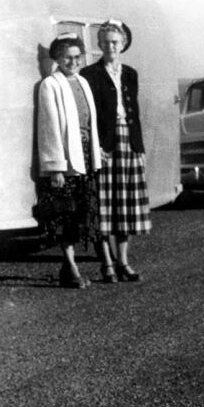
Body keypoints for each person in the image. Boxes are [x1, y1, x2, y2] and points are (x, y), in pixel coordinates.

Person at [81, 19, 149, 283]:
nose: (110, 46)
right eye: (106, 41)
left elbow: (136, 113)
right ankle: (106, 264)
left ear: (122, 45)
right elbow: (90, 115)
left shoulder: (130, 73)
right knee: (104, 205)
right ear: (98, 44)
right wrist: (96, 148)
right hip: (105, 144)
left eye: (115, 42)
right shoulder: (90, 74)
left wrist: (139, 146)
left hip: (128, 142)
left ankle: (124, 261)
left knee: (126, 205)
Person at [34, 33, 103, 289]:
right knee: (65, 214)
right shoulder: (50, 85)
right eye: (67, 57)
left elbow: (89, 123)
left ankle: (69, 267)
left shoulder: (83, 82)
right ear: (57, 58)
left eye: (77, 57)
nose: (73, 62)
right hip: (66, 161)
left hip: (85, 157)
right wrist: (55, 167)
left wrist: (97, 151)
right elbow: (49, 127)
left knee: (80, 215)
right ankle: (71, 267)